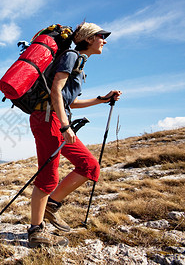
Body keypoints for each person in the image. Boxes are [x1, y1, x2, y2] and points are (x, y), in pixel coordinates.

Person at [27, 21, 122, 248]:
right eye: (101, 36)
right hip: (50, 120)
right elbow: (56, 92)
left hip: (56, 119)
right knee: (48, 176)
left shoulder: (78, 61)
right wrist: (64, 125)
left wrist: (102, 99)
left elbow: (70, 100)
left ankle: (51, 206)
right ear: (89, 39)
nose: (104, 40)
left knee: (90, 166)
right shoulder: (70, 55)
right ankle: (35, 232)